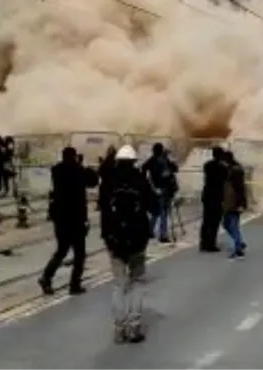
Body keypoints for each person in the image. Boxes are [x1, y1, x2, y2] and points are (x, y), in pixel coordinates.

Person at [101, 144, 156, 344]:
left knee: (119, 285)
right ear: (134, 161)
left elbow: (103, 209)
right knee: (138, 283)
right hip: (137, 241)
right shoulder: (140, 180)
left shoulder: (108, 182)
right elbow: (153, 205)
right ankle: (134, 326)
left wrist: (108, 235)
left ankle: (119, 328)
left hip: (114, 240)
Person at [39, 146, 98, 296]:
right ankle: (74, 284)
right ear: (74, 157)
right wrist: (81, 164)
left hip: (61, 218)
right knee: (80, 254)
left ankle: (46, 277)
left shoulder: (57, 171)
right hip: (76, 219)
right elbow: (93, 181)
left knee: (61, 251)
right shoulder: (78, 171)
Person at [141, 143, 178, 243]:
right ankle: (163, 235)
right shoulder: (158, 161)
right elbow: (174, 169)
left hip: (159, 189)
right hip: (161, 189)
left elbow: (175, 169)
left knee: (157, 212)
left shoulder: (155, 160)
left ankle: (150, 231)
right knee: (162, 213)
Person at [200, 146, 228, 252]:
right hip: (217, 196)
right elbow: (225, 179)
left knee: (206, 220)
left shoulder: (207, 165)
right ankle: (211, 244)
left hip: (207, 194)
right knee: (214, 221)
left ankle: (203, 243)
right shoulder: (223, 168)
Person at [221, 151, 248, 259]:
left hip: (234, 203)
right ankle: (239, 243)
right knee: (227, 225)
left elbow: (240, 189)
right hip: (230, 203)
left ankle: (238, 250)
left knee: (232, 226)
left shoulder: (235, 171)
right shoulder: (233, 169)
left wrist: (241, 204)